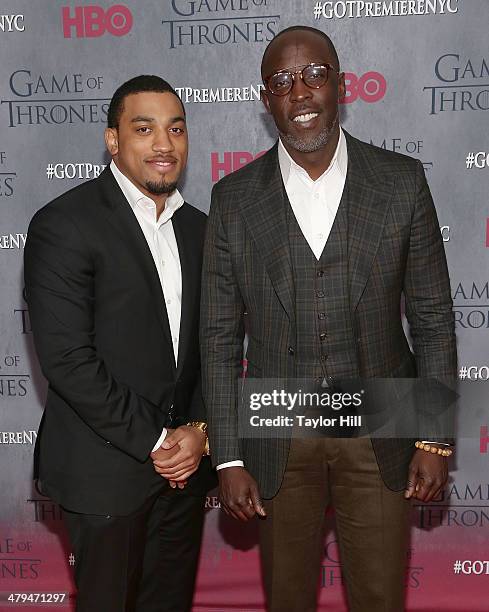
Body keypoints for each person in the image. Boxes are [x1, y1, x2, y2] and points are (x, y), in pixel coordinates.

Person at [200, 26, 457, 612]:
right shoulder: (234, 199)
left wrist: (436, 440)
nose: (301, 92)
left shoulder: (401, 182)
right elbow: (218, 340)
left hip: (380, 427)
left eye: (314, 74)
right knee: (286, 599)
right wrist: (231, 456)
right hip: (277, 431)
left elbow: (434, 320)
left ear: (341, 85)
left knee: (379, 597)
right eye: (282, 81)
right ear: (267, 100)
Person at [24, 75, 215, 612]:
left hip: (183, 475)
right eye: (144, 128)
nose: (163, 144)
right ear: (113, 140)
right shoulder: (65, 224)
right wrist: (159, 442)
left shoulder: (202, 231)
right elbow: (67, 360)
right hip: (104, 473)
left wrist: (199, 431)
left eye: (175, 129)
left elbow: (214, 347)